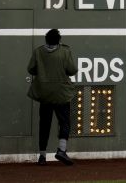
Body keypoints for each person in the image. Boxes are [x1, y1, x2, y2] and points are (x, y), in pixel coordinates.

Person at [27, 28, 78, 165]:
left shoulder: (38, 52)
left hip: (44, 94)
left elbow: (31, 69)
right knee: (65, 122)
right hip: (61, 93)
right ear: (59, 40)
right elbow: (72, 70)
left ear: (46, 39)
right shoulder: (65, 52)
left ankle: (42, 157)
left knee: (44, 124)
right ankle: (61, 150)